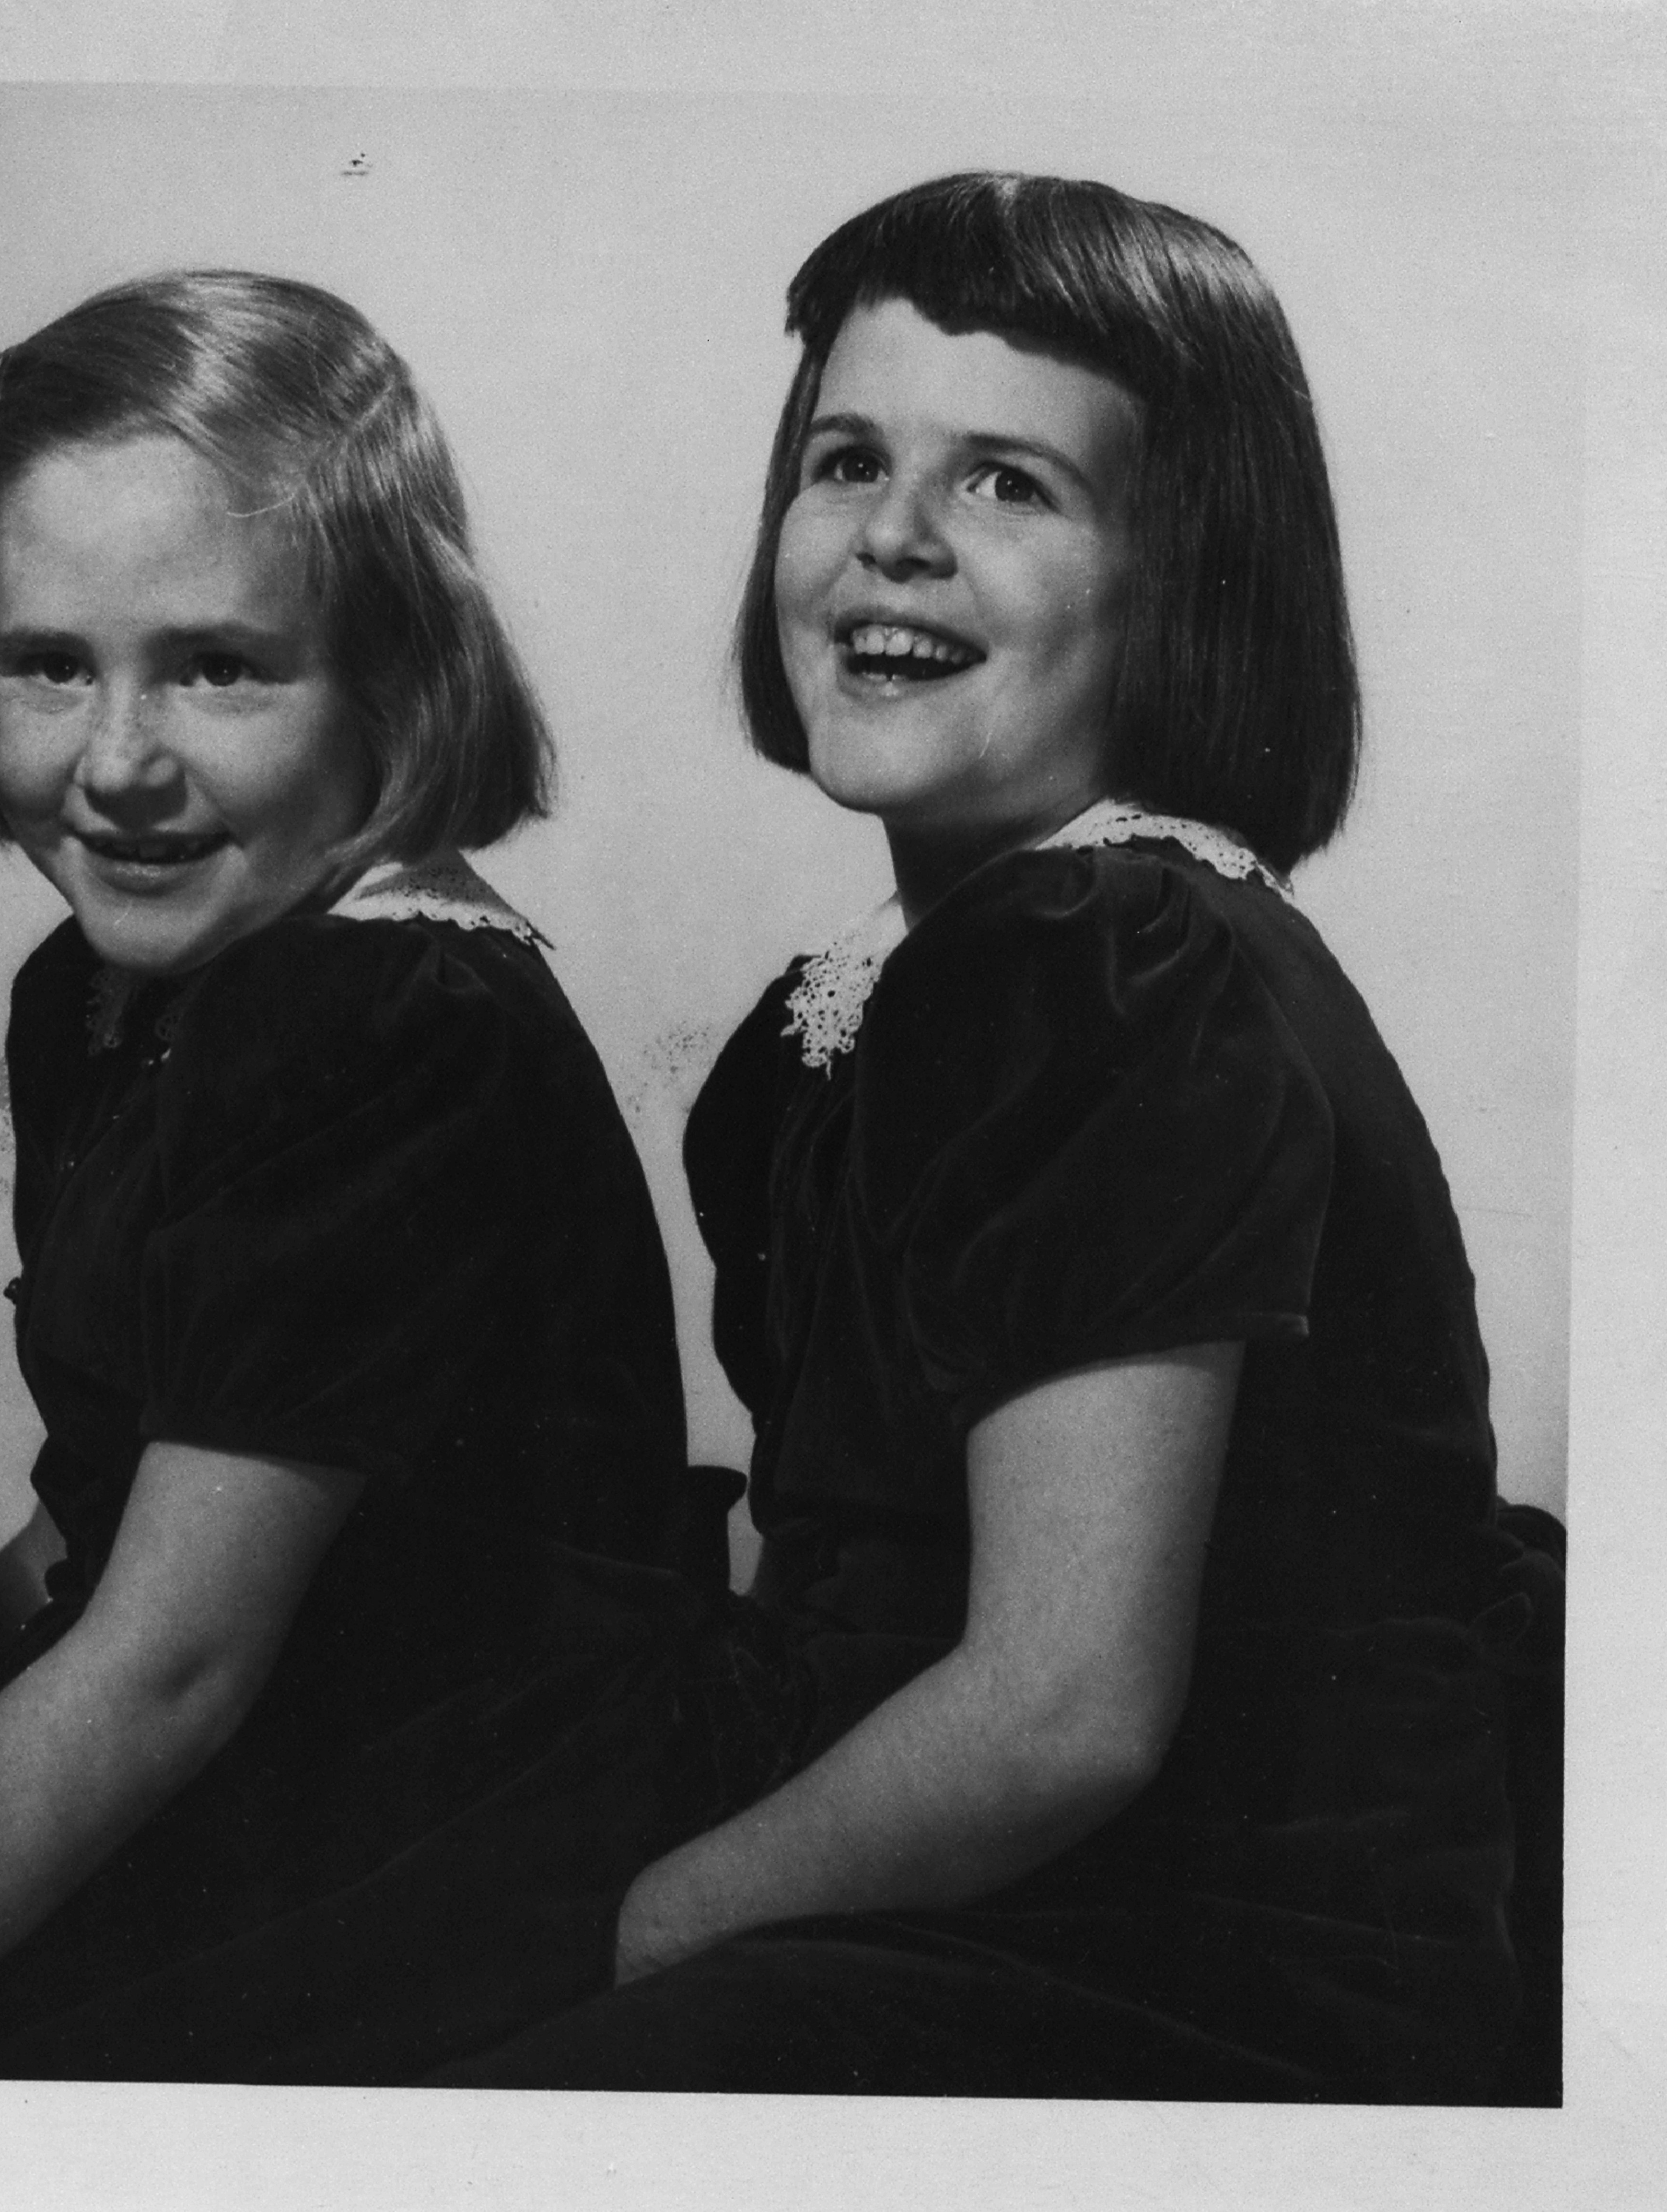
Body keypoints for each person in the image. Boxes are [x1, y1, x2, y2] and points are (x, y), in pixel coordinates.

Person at [438, 173, 1559, 2103]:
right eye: (846, 461)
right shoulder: (884, 999)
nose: (892, 536)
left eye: (1007, 484)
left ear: (1185, 578)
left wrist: (657, 1920)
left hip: (1190, 1977)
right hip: (967, 1886)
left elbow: (1060, 1712)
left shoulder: (1107, 956)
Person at [0, 269, 719, 2081]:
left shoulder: (385, 1022)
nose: (119, 766)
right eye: (50, 664)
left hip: (423, 1867)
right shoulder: (103, 992)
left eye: (219, 667)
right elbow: (86, 1535)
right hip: (223, 1778)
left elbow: (166, 1671)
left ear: (392, 681)